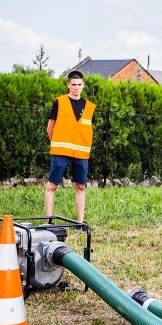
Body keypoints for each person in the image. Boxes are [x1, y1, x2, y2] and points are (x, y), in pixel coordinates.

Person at [44, 71, 96, 224]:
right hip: (60, 152)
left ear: (83, 85)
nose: (76, 87)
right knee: (52, 186)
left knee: (80, 186)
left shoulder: (90, 107)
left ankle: (80, 223)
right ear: (68, 85)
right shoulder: (59, 102)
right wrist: (58, 143)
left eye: (79, 85)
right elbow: (50, 128)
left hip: (81, 154)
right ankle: (48, 222)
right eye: (73, 84)